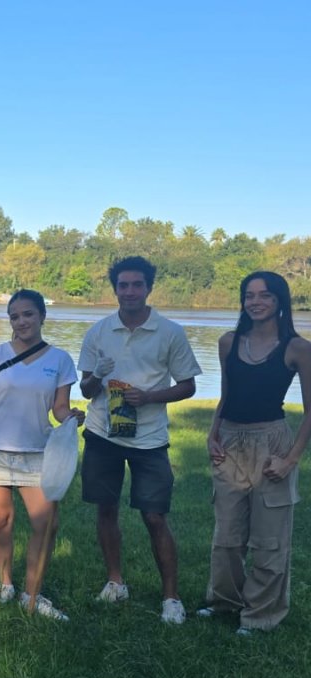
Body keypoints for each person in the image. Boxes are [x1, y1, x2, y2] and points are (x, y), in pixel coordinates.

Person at [78, 256, 201, 625]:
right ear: (115, 288)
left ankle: (171, 598)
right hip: (103, 434)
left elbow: (189, 385)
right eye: (123, 285)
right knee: (106, 508)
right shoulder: (98, 332)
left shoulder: (170, 332)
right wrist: (97, 376)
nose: (129, 291)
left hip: (149, 439)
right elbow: (85, 391)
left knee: (154, 515)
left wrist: (149, 397)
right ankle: (115, 582)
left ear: (148, 288)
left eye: (137, 285)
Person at [0, 289, 83, 620]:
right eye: (14, 316)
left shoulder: (60, 360)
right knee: (0, 520)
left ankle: (33, 594)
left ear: (42, 316)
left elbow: (58, 408)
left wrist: (70, 416)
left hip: (37, 453)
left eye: (28, 314)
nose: (21, 321)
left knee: (46, 523)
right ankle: (5, 585)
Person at [201, 272, 311, 634]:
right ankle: (224, 602)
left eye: (265, 295)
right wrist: (213, 434)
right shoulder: (228, 342)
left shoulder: (298, 347)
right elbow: (226, 394)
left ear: (280, 300)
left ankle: (260, 615)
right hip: (230, 441)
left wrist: (290, 459)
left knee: (269, 538)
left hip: (272, 443)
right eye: (249, 295)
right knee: (227, 535)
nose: (256, 301)